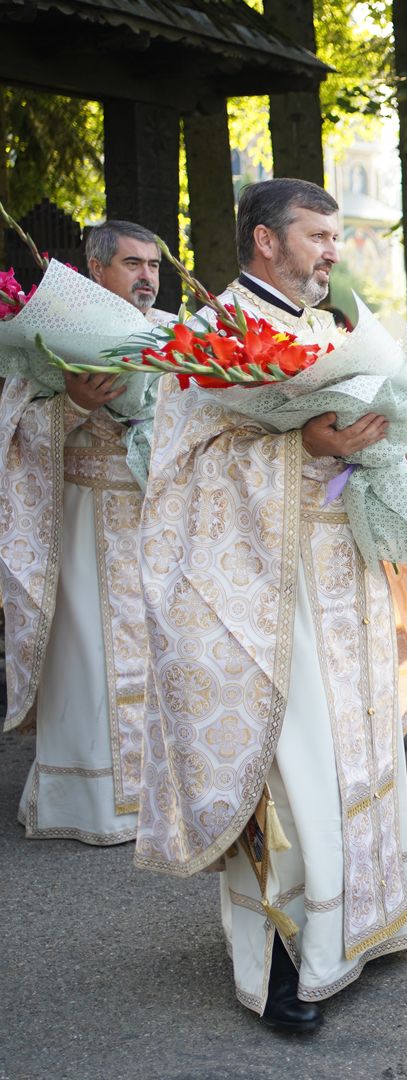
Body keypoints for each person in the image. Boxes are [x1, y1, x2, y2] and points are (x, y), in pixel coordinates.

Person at [135, 178, 407, 1032]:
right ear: (266, 239)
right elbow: (179, 473)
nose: (334, 251)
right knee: (287, 764)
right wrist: (303, 443)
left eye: (336, 236)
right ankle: (280, 953)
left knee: (352, 752)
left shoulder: (333, 330)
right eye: (318, 235)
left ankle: (360, 927)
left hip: (348, 577)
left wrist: (392, 451)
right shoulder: (211, 336)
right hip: (264, 593)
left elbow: (368, 431)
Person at [0, 219, 167, 845]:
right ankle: (89, 803)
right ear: (96, 269)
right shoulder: (56, 330)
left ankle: (158, 803)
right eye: (133, 264)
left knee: (158, 658)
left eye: (153, 265)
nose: (147, 277)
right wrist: (74, 403)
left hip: (151, 521)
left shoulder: (173, 332)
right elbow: (14, 427)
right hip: (78, 520)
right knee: (86, 657)